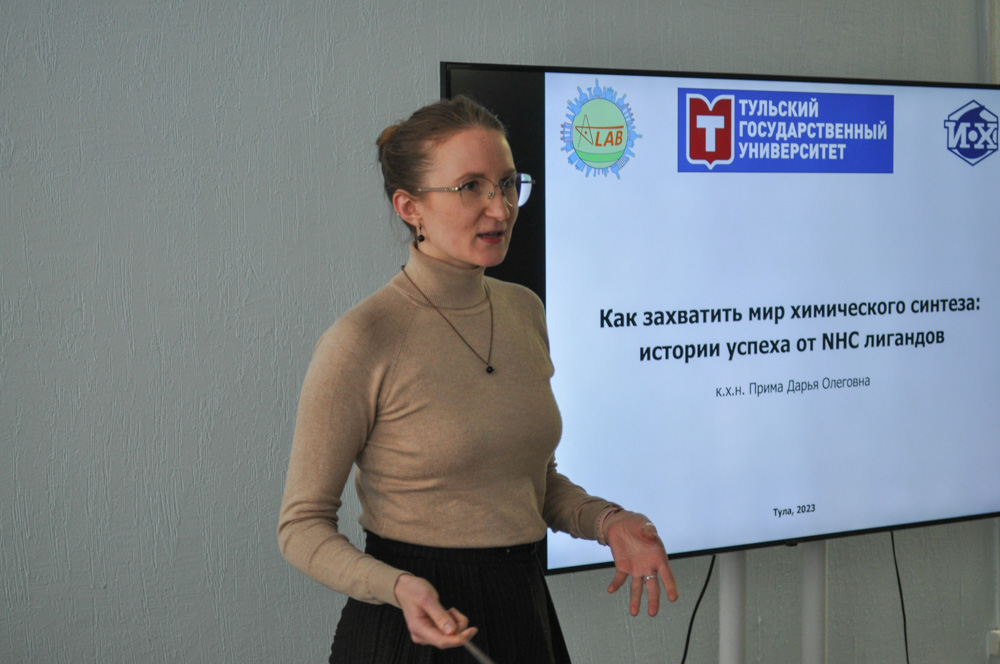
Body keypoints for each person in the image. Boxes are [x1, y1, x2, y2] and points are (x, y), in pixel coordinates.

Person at [277, 95, 678, 663]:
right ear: (410, 207)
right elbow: (300, 527)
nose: (501, 208)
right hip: (413, 625)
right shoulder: (362, 338)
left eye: (508, 184)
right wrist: (395, 586)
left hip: (523, 611)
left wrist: (608, 522)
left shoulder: (523, 310)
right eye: (471, 187)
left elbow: (530, 483)